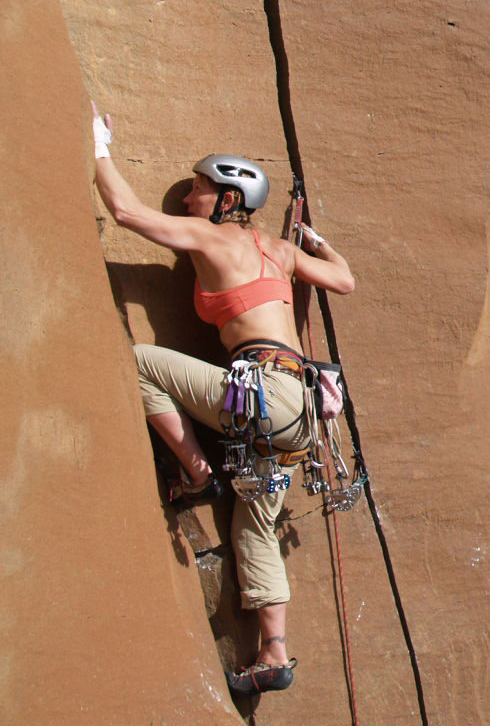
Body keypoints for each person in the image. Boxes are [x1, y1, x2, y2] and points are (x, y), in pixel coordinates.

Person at [89, 104, 355, 696]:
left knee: (138, 363)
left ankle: (197, 473)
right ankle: (273, 654)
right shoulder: (281, 252)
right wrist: (315, 242)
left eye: (199, 190)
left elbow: (126, 211)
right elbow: (344, 280)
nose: (189, 200)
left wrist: (98, 143)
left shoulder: (211, 238)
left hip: (264, 394)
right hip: (303, 414)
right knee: (255, 527)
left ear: (228, 199)